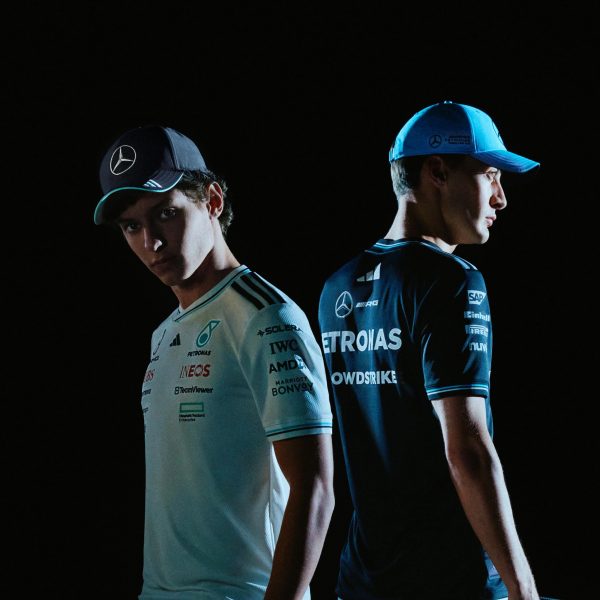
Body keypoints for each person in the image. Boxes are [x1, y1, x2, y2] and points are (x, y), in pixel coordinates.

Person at [94, 124, 335, 600]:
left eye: (165, 213)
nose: (151, 242)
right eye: (131, 227)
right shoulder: (164, 333)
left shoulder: (267, 316)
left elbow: (315, 487)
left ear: (212, 200)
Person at [317, 101, 541, 600]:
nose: (501, 198)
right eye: (490, 176)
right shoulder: (452, 282)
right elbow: (468, 450)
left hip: (362, 579)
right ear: (437, 171)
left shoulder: (336, 286)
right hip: (448, 578)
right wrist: (521, 586)